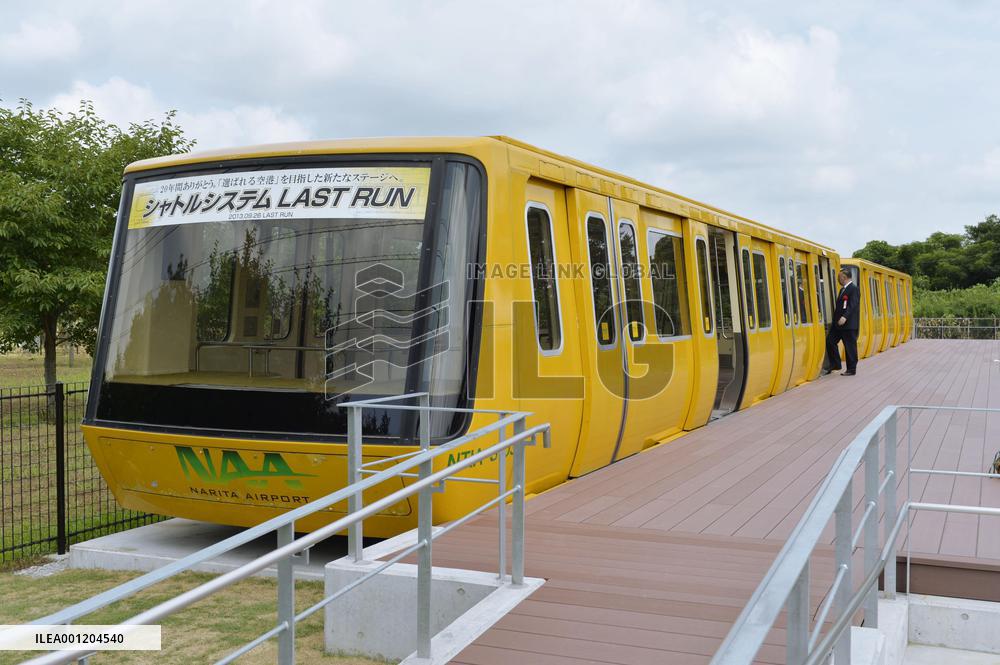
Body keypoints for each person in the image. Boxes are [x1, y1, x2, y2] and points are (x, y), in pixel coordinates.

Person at [823, 268, 860, 376]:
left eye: (839, 277)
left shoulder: (854, 289)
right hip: (838, 324)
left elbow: (853, 305)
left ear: (844, 277)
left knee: (850, 347)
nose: (838, 279)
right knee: (830, 341)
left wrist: (845, 317)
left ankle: (851, 369)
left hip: (848, 324)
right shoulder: (842, 290)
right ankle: (836, 364)